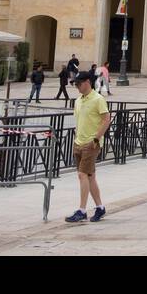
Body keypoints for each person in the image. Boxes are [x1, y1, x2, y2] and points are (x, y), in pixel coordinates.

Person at [65, 71, 111, 223]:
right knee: (90, 176)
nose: (77, 86)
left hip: (91, 143)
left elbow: (106, 119)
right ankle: (100, 207)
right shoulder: (78, 100)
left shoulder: (98, 99)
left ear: (87, 82)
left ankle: (82, 210)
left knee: (82, 174)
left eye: (78, 83)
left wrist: (97, 138)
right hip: (79, 142)